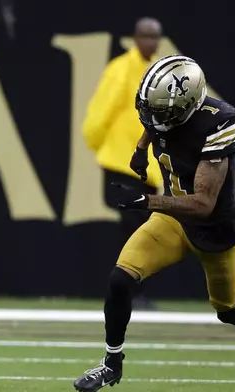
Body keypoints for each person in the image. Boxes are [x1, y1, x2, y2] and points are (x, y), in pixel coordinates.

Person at [73, 55, 235, 392]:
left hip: (212, 231)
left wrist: (147, 201)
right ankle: (111, 365)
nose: (150, 117)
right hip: (172, 220)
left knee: (228, 308)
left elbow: (203, 204)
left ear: (184, 109)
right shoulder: (165, 112)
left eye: (159, 113)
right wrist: (142, 147)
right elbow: (153, 119)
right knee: (120, 280)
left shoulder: (220, 124)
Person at [83, 17, 163, 309]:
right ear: (135, 38)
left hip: (147, 168)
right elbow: (99, 113)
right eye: (145, 36)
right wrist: (101, 147)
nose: (150, 42)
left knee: (141, 230)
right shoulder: (121, 69)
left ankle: (130, 291)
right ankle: (128, 293)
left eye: (155, 37)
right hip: (121, 163)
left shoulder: (156, 72)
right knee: (133, 228)